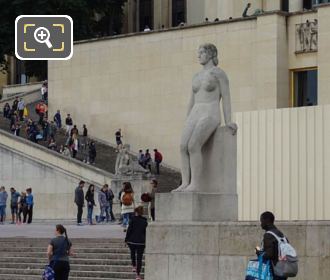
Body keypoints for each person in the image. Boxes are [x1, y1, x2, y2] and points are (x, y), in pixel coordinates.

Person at [173, 43, 237, 192]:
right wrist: (188, 119)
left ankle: (195, 183)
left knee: (193, 145)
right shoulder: (196, 76)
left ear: (210, 54)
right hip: (196, 112)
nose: (199, 55)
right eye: (198, 53)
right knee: (183, 146)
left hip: (210, 111)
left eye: (201, 52)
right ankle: (184, 182)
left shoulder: (218, 73)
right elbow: (191, 100)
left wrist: (229, 121)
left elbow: (226, 97)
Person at [258, 211, 288, 280]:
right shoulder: (279, 233)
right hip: (283, 269)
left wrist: (259, 252)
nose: (261, 224)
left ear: (267, 221)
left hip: (274, 271)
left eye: (261, 221)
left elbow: (269, 254)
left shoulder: (268, 235)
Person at [125, 206, 148, 280]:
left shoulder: (132, 220)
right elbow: (145, 232)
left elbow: (129, 230)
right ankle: (138, 275)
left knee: (132, 253)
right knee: (139, 258)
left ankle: (134, 266)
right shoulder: (144, 221)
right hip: (141, 242)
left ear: (136, 212)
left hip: (132, 241)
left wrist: (126, 239)